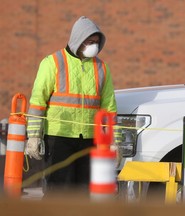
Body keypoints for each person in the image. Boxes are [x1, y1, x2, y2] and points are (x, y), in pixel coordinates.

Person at [25, 16, 118, 194]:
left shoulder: (102, 68)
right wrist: (34, 136)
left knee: (85, 193)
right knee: (58, 191)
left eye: (97, 42)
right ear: (78, 39)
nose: (94, 46)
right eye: (90, 41)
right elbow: (38, 102)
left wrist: (113, 140)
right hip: (59, 138)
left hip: (90, 140)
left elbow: (109, 108)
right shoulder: (52, 62)